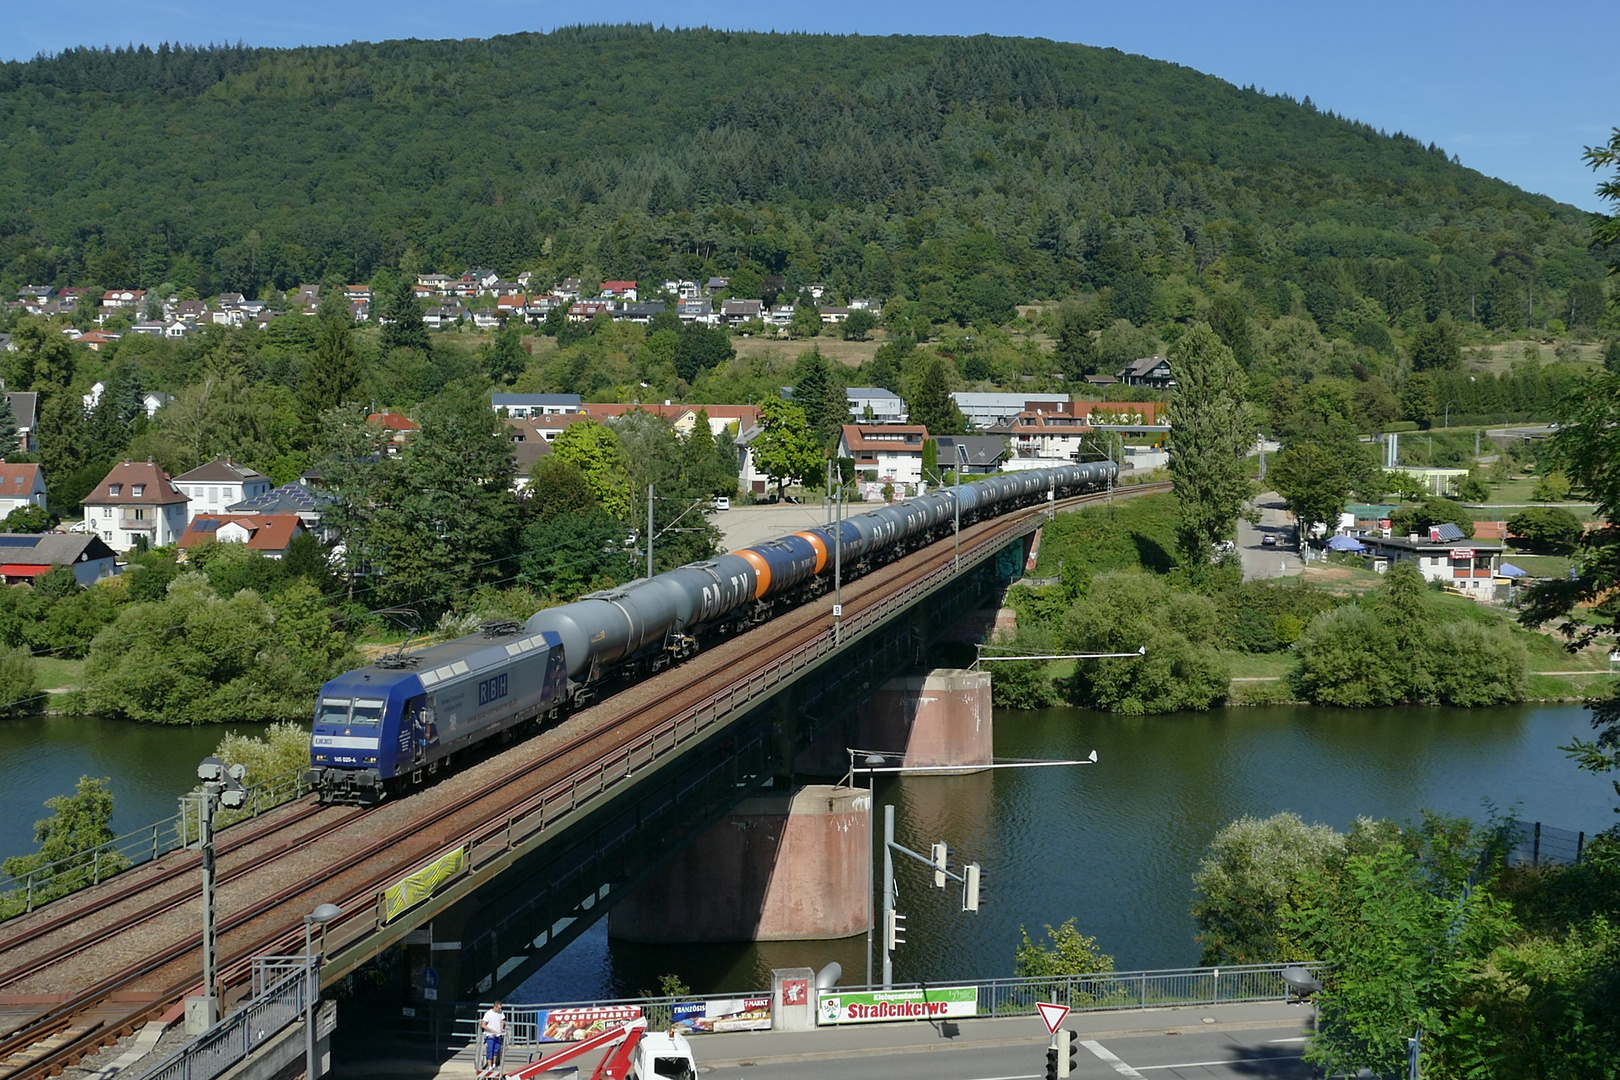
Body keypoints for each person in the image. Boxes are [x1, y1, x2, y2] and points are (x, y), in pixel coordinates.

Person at [481, 1000, 505, 1070]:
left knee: (496, 1049)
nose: (499, 1010)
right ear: (495, 1006)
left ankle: (494, 1063)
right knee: (490, 1050)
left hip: (498, 1034)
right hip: (490, 1035)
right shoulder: (488, 1013)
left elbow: (502, 1020)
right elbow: (483, 1025)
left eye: (500, 1008)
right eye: (498, 1008)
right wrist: (491, 1030)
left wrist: (502, 1027)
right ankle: (489, 1065)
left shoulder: (500, 1012)